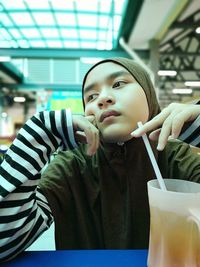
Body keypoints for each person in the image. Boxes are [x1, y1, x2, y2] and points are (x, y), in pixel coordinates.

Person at [0, 57, 199, 262]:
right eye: (91, 96)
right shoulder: (71, 165)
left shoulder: (177, 157)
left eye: (118, 84)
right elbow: (4, 243)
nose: (103, 99)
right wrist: (39, 135)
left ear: (148, 93)